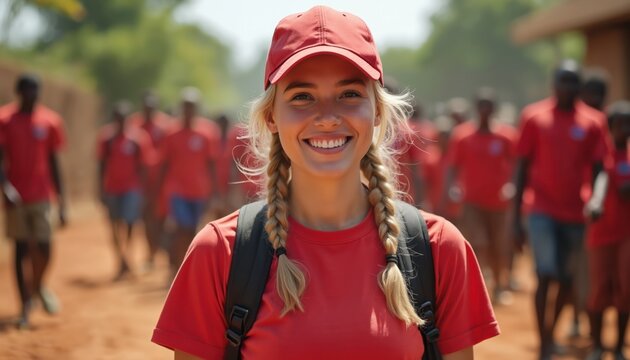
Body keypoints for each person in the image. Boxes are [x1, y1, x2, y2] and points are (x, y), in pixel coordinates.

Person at [152, 6, 499, 359]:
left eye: (349, 94)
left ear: (377, 111)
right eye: (302, 97)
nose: (328, 118)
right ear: (272, 117)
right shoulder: (220, 254)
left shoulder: (439, 249)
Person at [512, 60, 608, 360]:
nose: (567, 88)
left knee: (567, 280)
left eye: (573, 82)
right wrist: (515, 219)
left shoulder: (593, 122)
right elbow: (521, 167)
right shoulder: (534, 117)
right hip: (540, 209)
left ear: (579, 86)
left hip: (575, 213)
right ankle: (543, 343)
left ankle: (552, 332)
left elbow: (599, 168)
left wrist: (597, 199)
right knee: (546, 273)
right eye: (562, 81)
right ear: (553, 84)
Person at [0, 74, 66, 329]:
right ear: (19, 93)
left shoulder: (50, 121)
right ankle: (24, 305)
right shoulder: (5, 120)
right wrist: (5, 187)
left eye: (36, 91)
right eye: (27, 91)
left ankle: (38, 285)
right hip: (15, 197)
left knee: (45, 246)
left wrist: (63, 201)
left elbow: (54, 162)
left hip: (42, 196)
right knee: (20, 251)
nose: (32, 96)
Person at [445, 87, 517, 305]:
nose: (485, 110)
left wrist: (511, 186)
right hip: (472, 202)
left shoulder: (506, 136)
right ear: (477, 108)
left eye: (489, 106)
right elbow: (452, 166)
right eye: (481, 105)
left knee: (498, 246)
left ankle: (498, 285)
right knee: (477, 243)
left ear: (494, 109)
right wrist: (452, 188)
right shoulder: (462, 136)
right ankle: (477, 287)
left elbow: (517, 165)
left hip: (498, 203)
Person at [157, 87, 219, 280]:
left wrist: (215, 193)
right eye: (186, 106)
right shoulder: (171, 133)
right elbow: (164, 164)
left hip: (200, 192)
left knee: (194, 231)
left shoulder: (207, 132)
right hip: (177, 192)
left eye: (192, 107)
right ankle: (174, 268)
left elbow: (211, 165)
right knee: (181, 228)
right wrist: (158, 191)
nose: (189, 110)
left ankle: (188, 269)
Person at [583, 101, 630, 360]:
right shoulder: (603, 153)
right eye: (620, 123)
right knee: (599, 288)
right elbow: (599, 179)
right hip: (601, 232)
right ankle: (597, 345)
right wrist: (597, 201)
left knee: (626, 288)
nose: (625, 129)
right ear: (611, 126)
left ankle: (620, 346)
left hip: (626, 234)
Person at [97, 102, 150, 280]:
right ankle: (121, 257)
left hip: (131, 189)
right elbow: (101, 165)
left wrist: (142, 190)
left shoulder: (137, 139)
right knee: (113, 224)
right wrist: (100, 190)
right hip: (112, 188)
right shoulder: (107, 139)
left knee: (129, 223)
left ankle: (126, 255)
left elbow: (142, 166)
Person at [128, 91, 173, 270]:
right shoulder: (134, 124)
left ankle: (162, 251)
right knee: (146, 218)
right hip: (141, 181)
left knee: (163, 218)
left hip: (163, 181)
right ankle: (151, 252)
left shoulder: (165, 125)